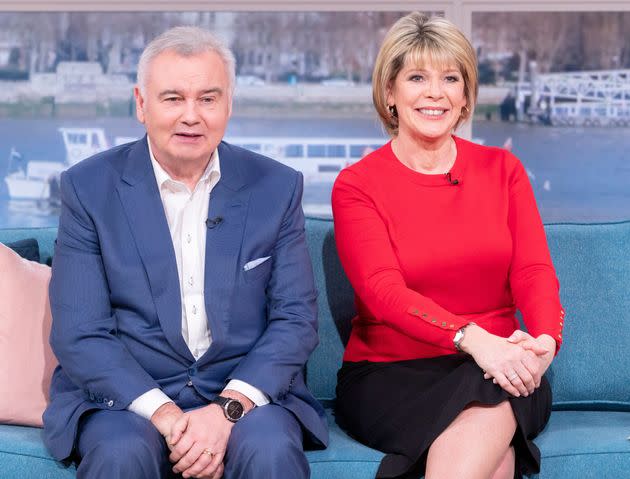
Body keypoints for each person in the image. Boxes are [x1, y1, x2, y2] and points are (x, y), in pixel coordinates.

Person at [43, 26, 328, 479]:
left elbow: (295, 320)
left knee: (270, 449)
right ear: (141, 104)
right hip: (129, 400)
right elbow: (81, 332)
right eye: (173, 98)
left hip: (245, 396)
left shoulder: (276, 187)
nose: (191, 116)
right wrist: (168, 417)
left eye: (208, 99)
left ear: (228, 104)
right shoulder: (88, 188)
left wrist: (225, 412)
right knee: (121, 455)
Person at [332, 12, 564, 479]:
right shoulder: (357, 185)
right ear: (390, 92)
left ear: (464, 96)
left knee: (494, 389)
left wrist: (543, 343)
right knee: (497, 441)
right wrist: (474, 340)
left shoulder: (504, 170)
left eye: (450, 78)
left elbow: (533, 270)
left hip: (505, 364)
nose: (435, 92)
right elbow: (382, 291)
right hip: (392, 373)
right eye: (417, 77)